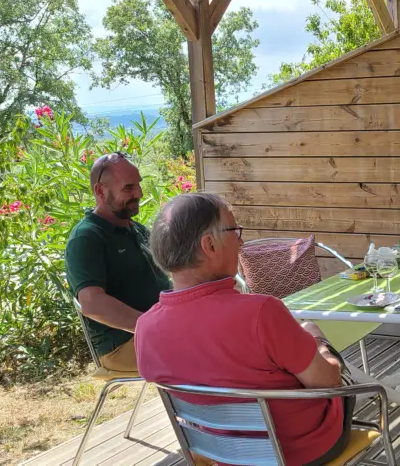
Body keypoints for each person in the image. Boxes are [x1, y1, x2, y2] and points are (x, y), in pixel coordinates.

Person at [137, 193, 353, 466]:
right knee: (333, 362)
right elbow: (326, 381)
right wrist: (322, 344)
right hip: (301, 450)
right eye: (234, 231)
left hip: (221, 453)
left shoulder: (146, 328)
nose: (241, 241)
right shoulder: (261, 313)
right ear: (210, 244)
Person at [64, 152, 171, 373]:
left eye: (139, 185)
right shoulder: (86, 238)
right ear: (100, 191)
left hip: (161, 328)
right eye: (128, 187)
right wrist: (150, 327)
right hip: (122, 345)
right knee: (203, 348)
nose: (139, 193)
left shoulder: (134, 228)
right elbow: (92, 303)